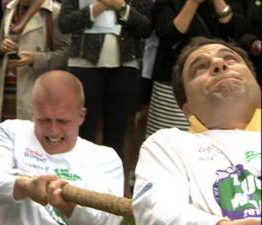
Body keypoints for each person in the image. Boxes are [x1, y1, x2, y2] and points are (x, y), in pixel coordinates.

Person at [133, 37, 261, 225]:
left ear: (257, 85)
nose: (219, 63)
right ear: (187, 109)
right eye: (200, 67)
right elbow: (157, 210)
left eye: (230, 59)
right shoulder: (168, 144)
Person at [0, 70, 124, 225]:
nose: (53, 130)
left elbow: (109, 220)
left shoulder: (105, 159)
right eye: (44, 120)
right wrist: (24, 186)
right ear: (32, 112)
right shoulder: (10, 133)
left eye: (63, 121)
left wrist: (69, 207)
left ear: (81, 116)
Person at [57, 0, 152, 164]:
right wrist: (98, 7)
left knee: (117, 133)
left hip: (125, 64)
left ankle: (112, 184)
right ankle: (79, 182)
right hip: (83, 63)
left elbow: (146, 28)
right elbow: (65, 23)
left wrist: (121, 7)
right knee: (83, 130)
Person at [145, 0, 248, 137]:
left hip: (220, 84)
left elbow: (235, 32)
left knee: (216, 141)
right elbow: (169, 36)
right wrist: (193, 3)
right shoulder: (166, 3)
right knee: (169, 140)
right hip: (172, 85)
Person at [0, 0, 70, 123]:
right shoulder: (10, 9)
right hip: (5, 90)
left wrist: (35, 59)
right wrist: (1, 49)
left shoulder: (53, 12)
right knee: (5, 134)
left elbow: (66, 56)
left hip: (33, 90)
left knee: (28, 137)